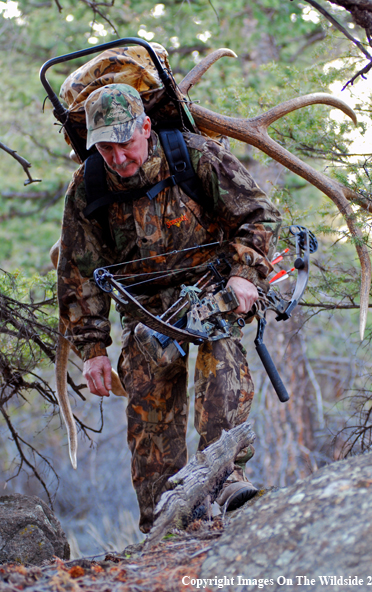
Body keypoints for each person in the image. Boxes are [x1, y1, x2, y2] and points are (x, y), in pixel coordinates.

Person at [57, 83, 282, 533]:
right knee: (147, 393)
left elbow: (258, 217)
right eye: (105, 148)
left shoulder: (195, 156)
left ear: (145, 127)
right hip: (145, 313)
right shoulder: (88, 185)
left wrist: (243, 271)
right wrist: (93, 348)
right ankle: (168, 519)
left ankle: (223, 481)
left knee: (219, 353)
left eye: (125, 143)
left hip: (213, 290)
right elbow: (79, 271)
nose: (118, 158)